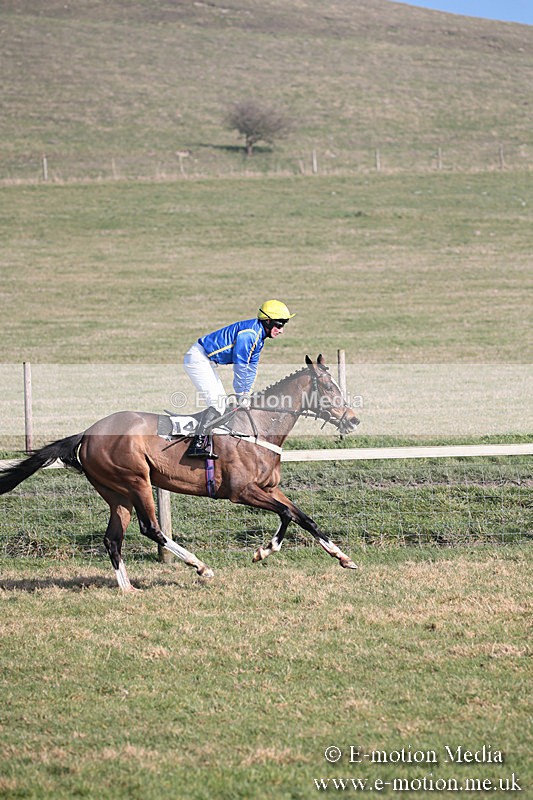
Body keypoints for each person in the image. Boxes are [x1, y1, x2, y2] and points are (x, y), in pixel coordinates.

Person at [183, 299, 295, 458]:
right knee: (218, 404)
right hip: (198, 359)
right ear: (268, 321)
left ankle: (208, 440)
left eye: (284, 325)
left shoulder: (259, 338)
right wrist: (241, 394)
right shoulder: (249, 335)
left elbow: (251, 368)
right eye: (279, 325)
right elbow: (241, 365)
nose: (281, 330)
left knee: (222, 405)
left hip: (206, 361)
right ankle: (196, 445)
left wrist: (246, 393)